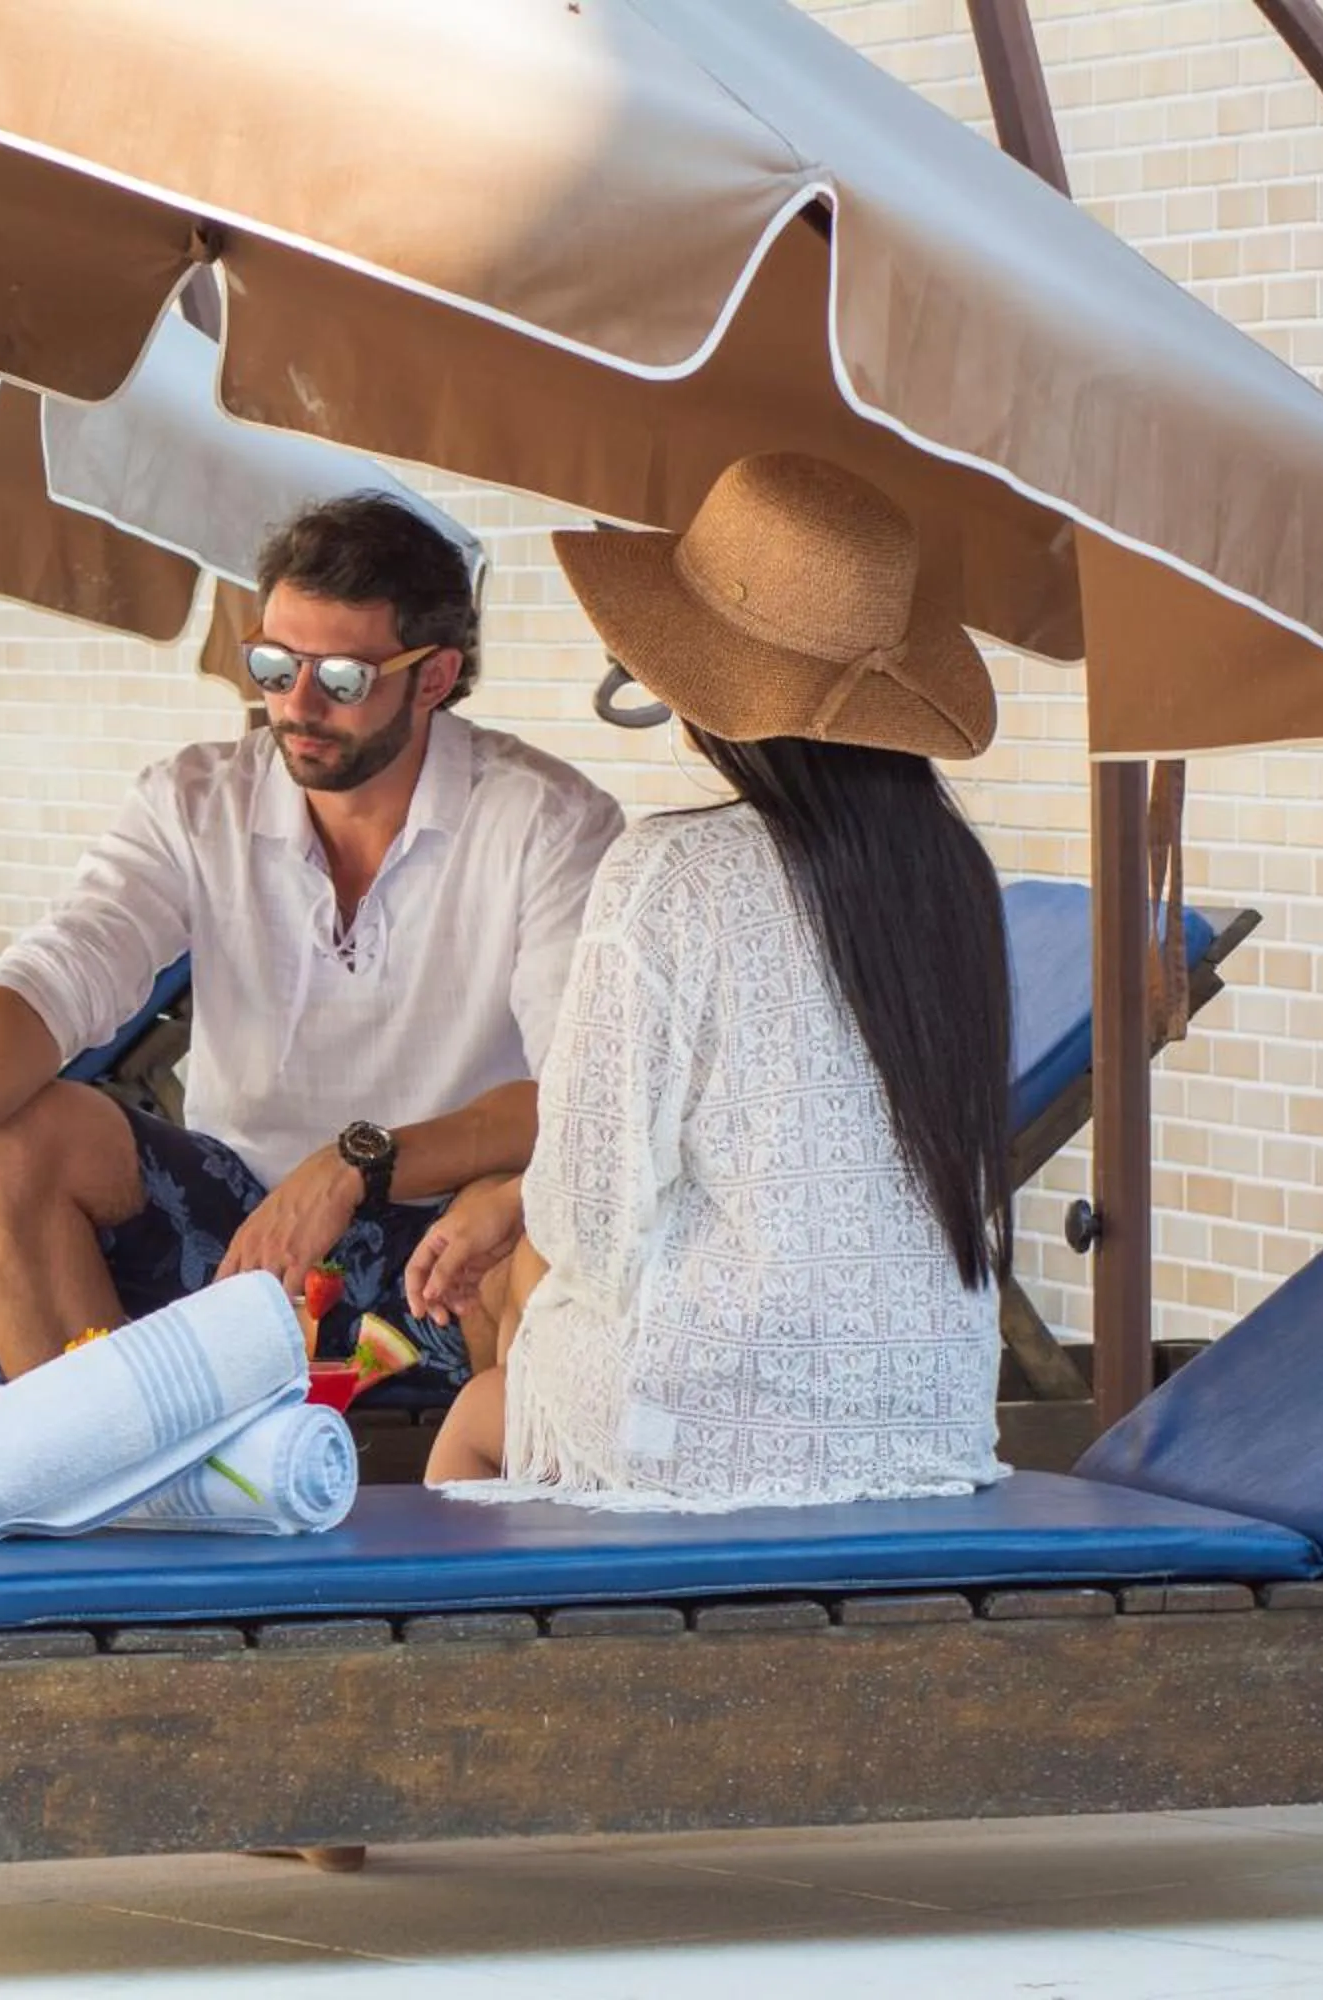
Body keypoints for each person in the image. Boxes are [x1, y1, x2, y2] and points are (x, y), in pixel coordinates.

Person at [0, 491, 625, 1387]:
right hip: (236, 1231)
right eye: (272, 664)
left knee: (539, 1230)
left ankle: (501, 1505)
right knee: (2, 1145)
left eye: (340, 678)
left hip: (449, 1240)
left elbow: (582, 1095)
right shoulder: (193, 801)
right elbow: (58, 970)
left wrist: (354, 1166)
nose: (295, 705)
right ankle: (108, 1479)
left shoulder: (549, 822)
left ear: (433, 677)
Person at [423, 452, 1014, 1507]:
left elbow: (589, 1222)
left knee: (479, 1419)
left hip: (720, 1428)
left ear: (699, 688)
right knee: (534, 1306)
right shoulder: (958, 878)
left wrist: (514, 1208)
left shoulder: (672, 872)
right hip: (936, 1420)